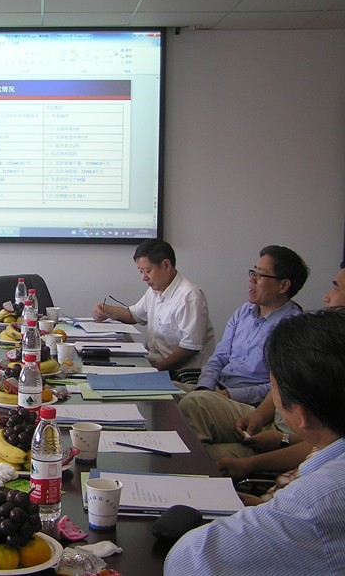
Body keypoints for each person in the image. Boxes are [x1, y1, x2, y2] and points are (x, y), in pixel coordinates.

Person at [164, 310, 345, 575]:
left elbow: (187, 562)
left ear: (301, 414)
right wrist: (265, 510)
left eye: (274, 387)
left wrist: (267, 517)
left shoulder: (313, 502)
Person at [216, 262, 345, 484]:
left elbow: (322, 441)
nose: (326, 296)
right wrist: (258, 418)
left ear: (283, 285)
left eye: (336, 288)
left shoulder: (322, 347)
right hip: (275, 427)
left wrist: (281, 440)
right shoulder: (246, 312)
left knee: (203, 454)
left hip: (285, 440)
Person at [178, 245, 308, 461]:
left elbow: (276, 388)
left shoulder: (293, 327)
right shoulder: (244, 312)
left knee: (195, 404)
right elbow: (218, 358)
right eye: (253, 272)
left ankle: (188, 467)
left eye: (260, 275)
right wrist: (205, 387)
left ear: (283, 285)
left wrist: (229, 395)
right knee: (163, 394)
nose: (251, 279)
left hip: (249, 404)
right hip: (217, 389)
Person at [91, 238, 214, 372]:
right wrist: (106, 310)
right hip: (152, 364)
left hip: (178, 374)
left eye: (148, 271)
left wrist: (154, 370)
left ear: (166, 265)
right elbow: (133, 315)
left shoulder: (189, 297)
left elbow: (189, 348)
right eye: (141, 272)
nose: (144, 278)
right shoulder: (155, 291)